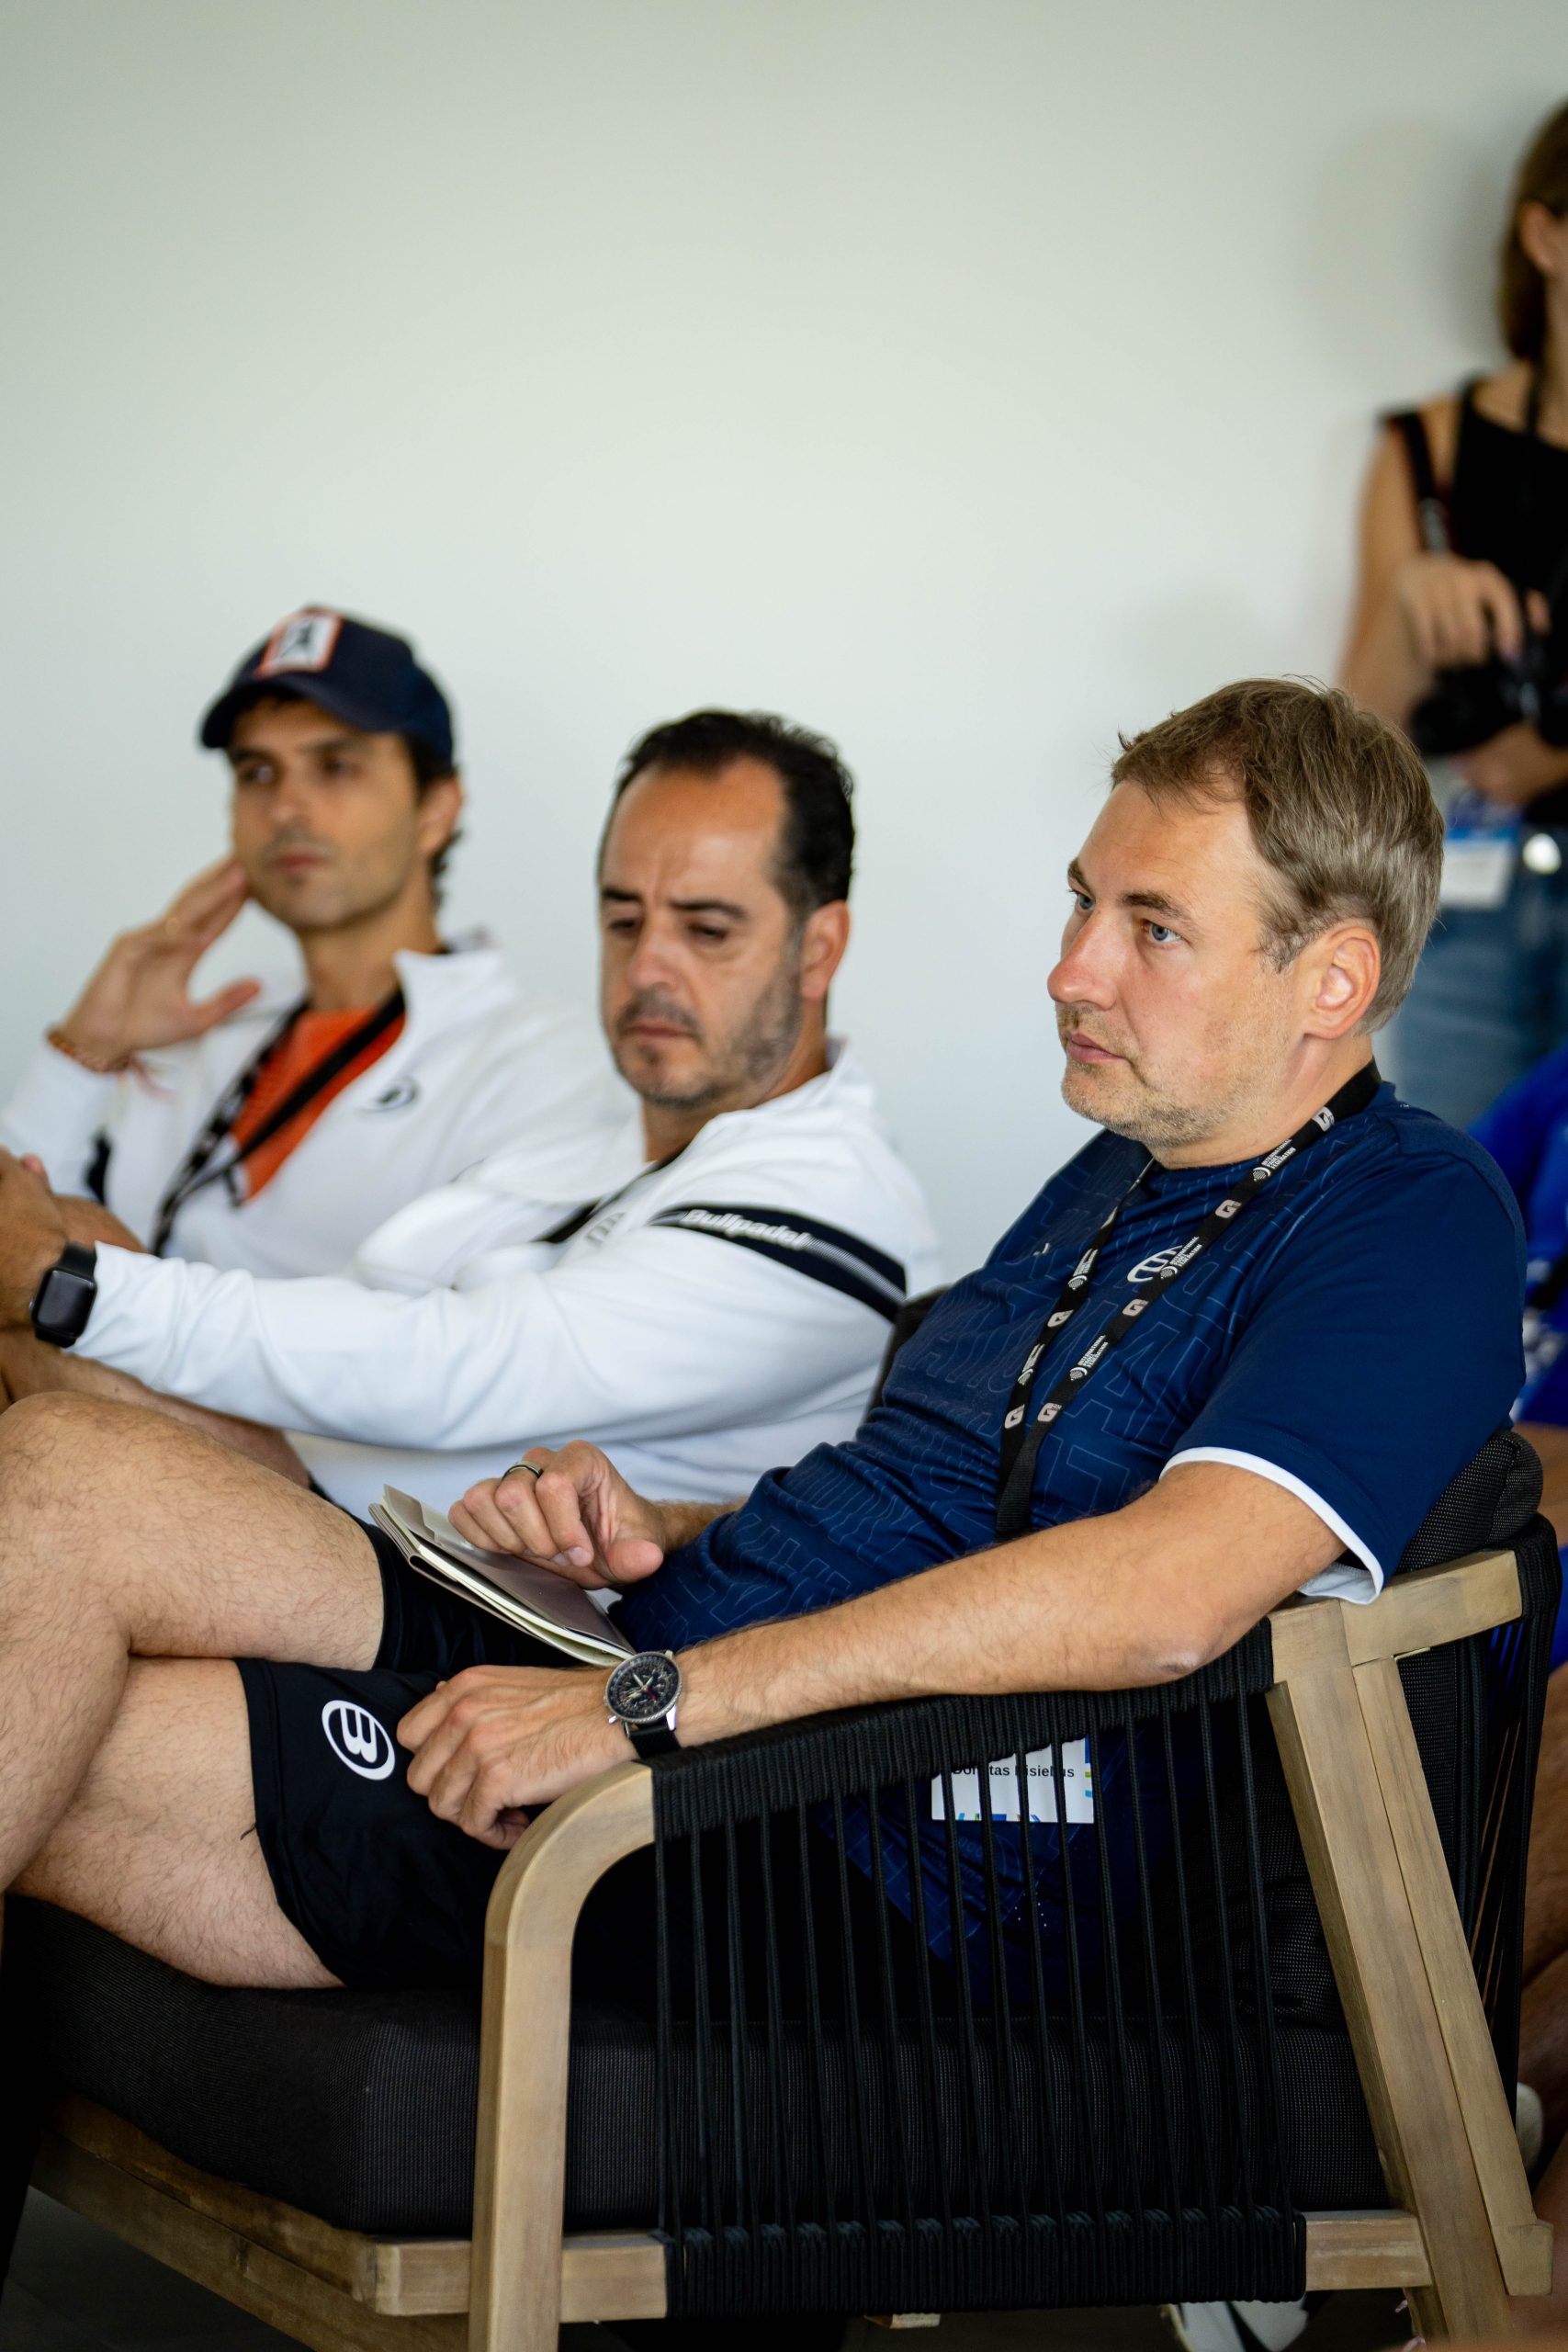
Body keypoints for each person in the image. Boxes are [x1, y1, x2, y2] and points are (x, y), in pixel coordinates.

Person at [0, 680, 1522, 2024]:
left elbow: (1165, 1598)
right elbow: (952, 1508)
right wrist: (661, 1530)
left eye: (1152, 929)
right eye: (1081, 905)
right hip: (650, 1665)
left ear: (1330, 980)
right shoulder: (1121, 1166)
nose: (1071, 969)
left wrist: (647, 1705)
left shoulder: (1409, 1212)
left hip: (846, 1835)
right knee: (67, 1469)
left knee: (80, 1695)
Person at [0, 708, 939, 1516]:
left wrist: (69, 1282)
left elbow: (459, 1361)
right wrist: (77, 1078)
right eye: (623, 920)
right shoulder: (592, 1143)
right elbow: (381, 1308)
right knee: (69, 1299)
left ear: (819, 949)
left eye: (706, 929)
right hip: (342, 1511)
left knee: (66, 1363)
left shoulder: (831, 1187)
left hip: (464, 1604)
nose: (648, 966)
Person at [0, 605, 615, 1277]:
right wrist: (85, 1052)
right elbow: (22, 1241)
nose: (286, 807)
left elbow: (456, 1327)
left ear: (436, 809)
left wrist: (124, 1296)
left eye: (336, 766)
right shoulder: (214, 1037)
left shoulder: (542, 1061)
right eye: (258, 772)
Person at [1340, 98, 1568, 1127]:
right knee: (1464, 1192)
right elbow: (1359, 746)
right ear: (1544, 237)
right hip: (1467, 906)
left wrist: (1551, 758)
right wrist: (1410, 602)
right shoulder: (1430, 447)